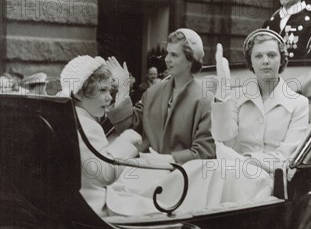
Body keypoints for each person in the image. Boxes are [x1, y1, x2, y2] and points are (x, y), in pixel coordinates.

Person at [104, 28, 216, 216]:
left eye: (174, 55)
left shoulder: (204, 99)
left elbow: (205, 151)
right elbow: (130, 129)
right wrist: (123, 88)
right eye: (167, 53)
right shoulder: (153, 92)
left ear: (190, 60)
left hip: (180, 180)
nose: (166, 60)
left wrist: (170, 159)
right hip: (145, 172)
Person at [205, 29, 310, 205]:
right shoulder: (237, 97)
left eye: (271, 55)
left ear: (282, 60)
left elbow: (286, 156)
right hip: (230, 171)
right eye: (258, 56)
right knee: (203, 171)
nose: (265, 62)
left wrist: (245, 161)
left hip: (268, 181)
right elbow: (223, 138)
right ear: (251, 62)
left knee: (220, 175)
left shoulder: (298, 103)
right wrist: (223, 92)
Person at [59, 55, 142, 216]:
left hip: (73, 206)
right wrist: (127, 140)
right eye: (103, 90)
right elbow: (106, 174)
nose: (109, 97)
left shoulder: (69, 119)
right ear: (79, 94)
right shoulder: (88, 125)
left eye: (109, 91)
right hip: (94, 209)